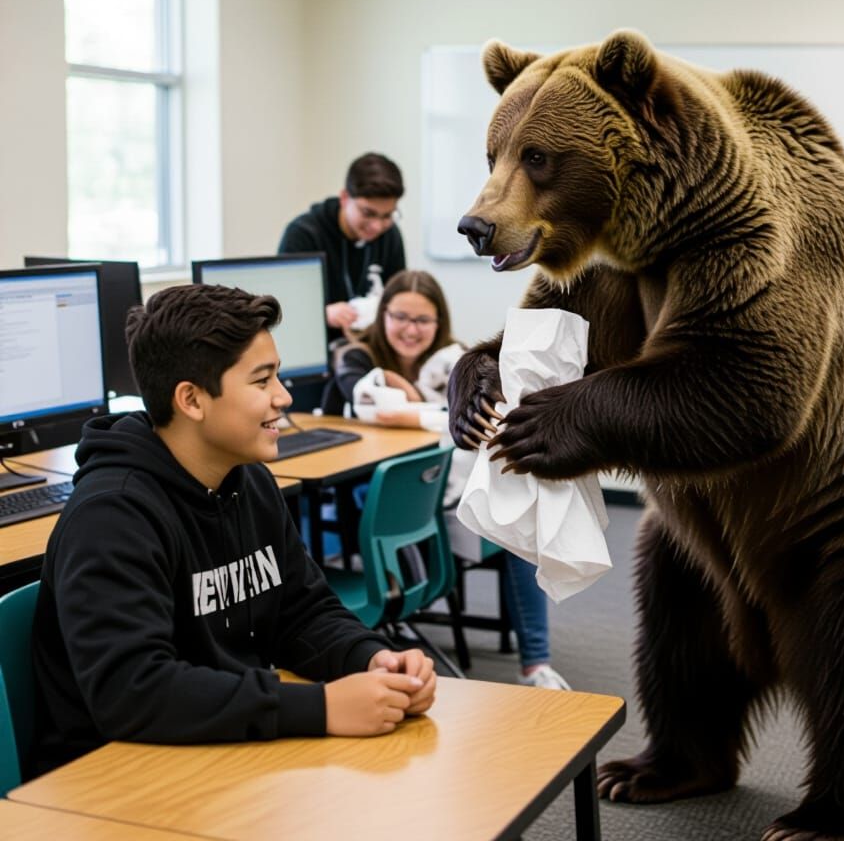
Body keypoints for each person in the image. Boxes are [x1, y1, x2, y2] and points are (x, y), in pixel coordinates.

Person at [31, 283, 436, 775]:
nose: (284, 397)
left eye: (277, 376)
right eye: (261, 381)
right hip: (113, 774)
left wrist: (369, 657)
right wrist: (322, 708)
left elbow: (301, 611)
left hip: (218, 745)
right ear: (192, 400)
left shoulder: (249, 481)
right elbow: (133, 691)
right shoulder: (113, 516)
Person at [322, 270, 570, 690]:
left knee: (518, 522)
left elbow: (480, 420)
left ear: (439, 324)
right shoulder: (357, 353)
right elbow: (360, 396)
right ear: (382, 315)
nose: (410, 330)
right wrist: (422, 407)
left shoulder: (459, 361)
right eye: (400, 316)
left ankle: (536, 664)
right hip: (377, 489)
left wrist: (409, 409)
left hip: (448, 493)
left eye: (423, 321)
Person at [278, 152, 406, 341]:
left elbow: (398, 296)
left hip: (371, 347)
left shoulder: (390, 235)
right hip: (318, 349)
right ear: (345, 197)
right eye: (368, 213)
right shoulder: (303, 235)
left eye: (387, 216)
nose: (377, 226)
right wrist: (323, 314)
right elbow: (284, 309)